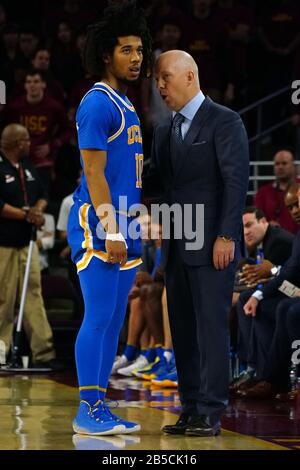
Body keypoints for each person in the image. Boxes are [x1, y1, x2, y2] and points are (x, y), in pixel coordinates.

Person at [146, 50, 249, 436]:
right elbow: (157, 181)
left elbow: (236, 183)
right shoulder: (163, 129)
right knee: (185, 329)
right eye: (156, 79)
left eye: (166, 77)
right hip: (174, 241)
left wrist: (226, 235)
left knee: (210, 328)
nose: (160, 86)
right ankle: (190, 406)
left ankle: (211, 408)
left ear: (190, 77)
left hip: (211, 244)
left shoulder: (225, 121)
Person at [67, 0, 152, 436]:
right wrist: (113, 227)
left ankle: (99, 405)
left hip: (126, 221)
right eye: (126, 50)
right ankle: (87, 408)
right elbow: (94, 172)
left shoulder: (128, 104)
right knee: (98, 317)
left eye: (139, 50)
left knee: (115, 320)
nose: (136, 58)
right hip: (100, 223)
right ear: (106, 54)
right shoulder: (97, 103)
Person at [0, 124, 57, 368]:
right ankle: (2, 349)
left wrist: (38, 210)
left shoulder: (27, 168)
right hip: (3, 245)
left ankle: (44, 352)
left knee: (33, 294)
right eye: (26, 140)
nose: (30, 144)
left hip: (28, 243)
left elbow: (43, 194)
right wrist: (25, 215)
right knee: (4, 297)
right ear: (15, 143)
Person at [254, 150, 299, 234]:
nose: (280, 167)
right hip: (274, 241)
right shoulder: (263, 192)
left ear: (294, 166)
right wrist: (267, 225)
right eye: (277, 164)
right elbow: (257, 219)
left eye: (284, 163)